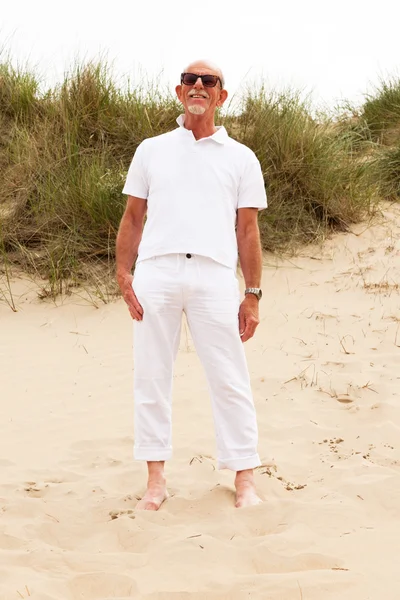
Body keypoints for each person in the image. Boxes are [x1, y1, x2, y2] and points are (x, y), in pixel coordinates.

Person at [116, 60, 267, 510]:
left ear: (222, 96)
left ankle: (244, 478)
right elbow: (133, 216)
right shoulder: (151, 149)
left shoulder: (241, 157)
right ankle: (156, 482)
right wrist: (124, 273)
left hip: (215, 274)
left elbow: (248, 231)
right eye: (190, 80)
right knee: (151, 377)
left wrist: (252, 293)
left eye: (209, 81)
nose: (198, 85)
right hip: (157, 272)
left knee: (230, 378)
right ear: (180, 93)